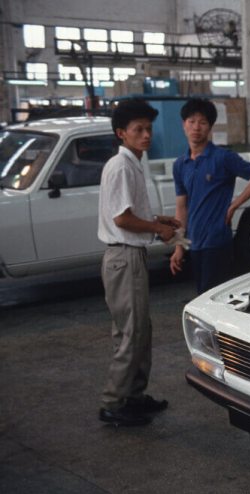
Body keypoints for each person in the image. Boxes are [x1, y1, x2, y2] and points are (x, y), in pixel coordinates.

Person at [97, 99, 181, 426]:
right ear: (122, 133)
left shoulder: (133, 162)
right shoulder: (120, 166)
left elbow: (131, 212)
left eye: (148, 129)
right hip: (124, 257)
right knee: (131, 333)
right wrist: (156, 229)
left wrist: (160, 219)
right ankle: (114, 403)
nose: (146, 135)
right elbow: (121, 219)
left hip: (131, 256)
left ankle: (133, 395)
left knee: (140, 330)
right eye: (138, 130)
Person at [169, 98, 250, 293]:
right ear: (183, 125)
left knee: (212, 295)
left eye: (203, 122)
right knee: (202, 294)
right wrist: (178, 245)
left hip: (216, 242)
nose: (196, 127)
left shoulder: (223, 157)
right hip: (194, 243)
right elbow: (181, 208)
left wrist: (234, 205)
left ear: (210, 127)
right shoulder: (180, 165)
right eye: (191, 121)